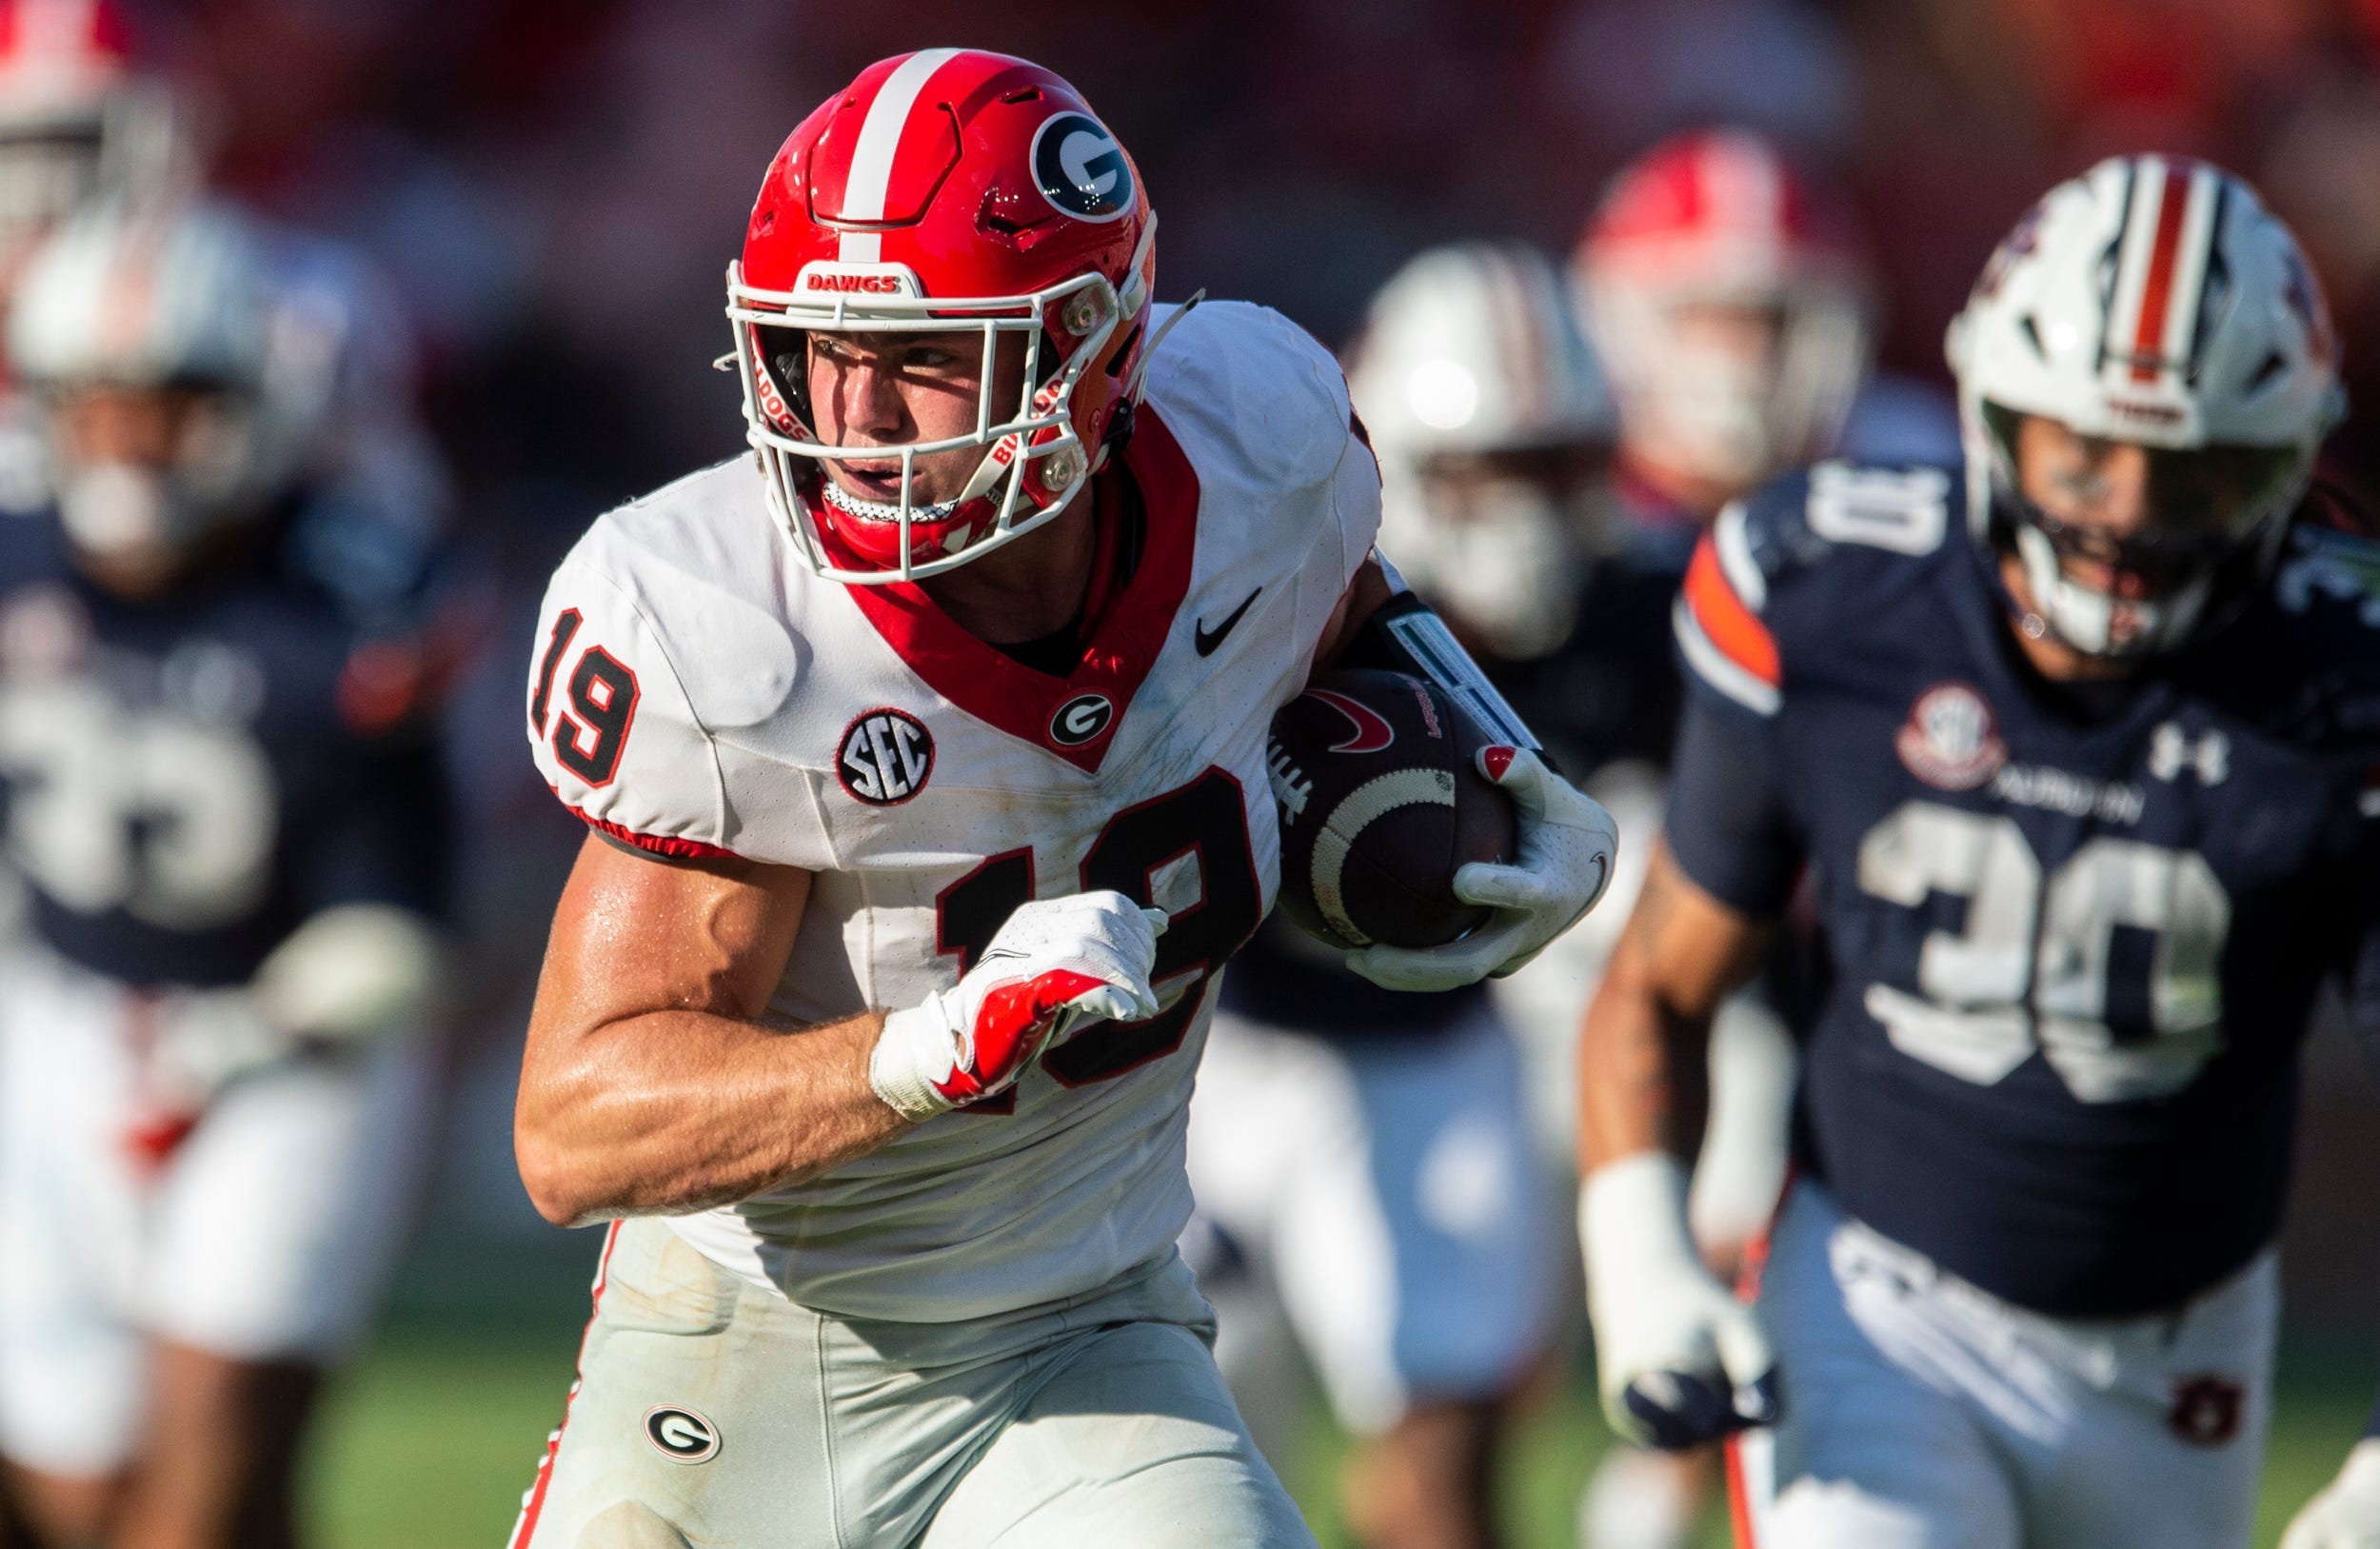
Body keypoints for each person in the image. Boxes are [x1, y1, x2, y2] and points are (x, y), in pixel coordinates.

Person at [506, 49, 1617, 1549]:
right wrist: (931, 1049)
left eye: (918, 357)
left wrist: (1483, 744)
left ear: (1091, 356)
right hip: (754, 1350)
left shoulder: (1252, 447)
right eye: (818, 346)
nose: (853, 413)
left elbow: (1340, 597)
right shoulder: (736, 624)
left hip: (1084, 1331)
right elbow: (574, 1130)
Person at [1576, 151, 2370, 1549]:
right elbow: (1660, 984)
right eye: (2083, 448)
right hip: (1881, 1301)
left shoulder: (2342, 678)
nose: (2126, 513)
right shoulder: (1833, 599)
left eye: (2193, 472)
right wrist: (1637, 1254)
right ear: (1996, 415)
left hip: (2181, 1349)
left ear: (2285, 468)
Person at [0, 195, 451, 1549]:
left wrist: (239, 1041)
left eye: (172, 402)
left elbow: (401, 919)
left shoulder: (344, 587)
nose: (132, 442)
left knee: (206, 1487)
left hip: (282, 1049)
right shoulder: (16, 548)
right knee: (69, 1491)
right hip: (58, 1020)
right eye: (101, 404)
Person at [1182, 241, 1606, 1549]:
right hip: (1201, 1041)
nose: (1525, 515)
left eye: (1554, 470)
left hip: (1440, 1056)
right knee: (1171, 1465)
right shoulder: (1272, 584)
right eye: (1490, 471)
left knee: (1444, 1469)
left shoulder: (1635, 617)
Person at [1564, 124, 1903, 1549]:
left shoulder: (1903, 478)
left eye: (1767, 316)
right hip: (1522, 970)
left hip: (1746, 966)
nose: (1738, 357)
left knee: (1711, 1339)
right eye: (1705, 311)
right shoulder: (1549, 465)